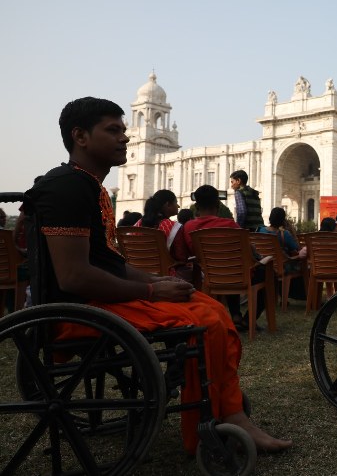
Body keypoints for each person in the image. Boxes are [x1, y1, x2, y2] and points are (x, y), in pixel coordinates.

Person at [24, 97, 292, 455]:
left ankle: (222, 405)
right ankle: (223, 415)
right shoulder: (68, 187)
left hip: (99, 299)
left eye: (124, 129)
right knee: (208, 320)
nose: (126, 138)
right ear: (80, 136)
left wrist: (157, 280)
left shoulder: (87, 185)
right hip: (78, 310)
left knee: (209, 306)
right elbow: (74, 277)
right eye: (113, 130)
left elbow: (109, 263)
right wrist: (150, 290)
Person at [183, 185, 268, 331]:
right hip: (237, 275)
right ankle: (248, 320)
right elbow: (247, 252)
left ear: (196, 206)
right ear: (218, 204)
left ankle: (236, 315)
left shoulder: (188, 227)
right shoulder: (230, 225)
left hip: (209, 276)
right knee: (266, 272)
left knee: (226, 268)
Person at [135, 189, 190, 264]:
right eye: (176, 202)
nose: (178, 206)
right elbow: (181, 257)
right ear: (168, 205)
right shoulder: (174, 227)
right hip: (165, 273)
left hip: (138, 271)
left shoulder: (138, 224)